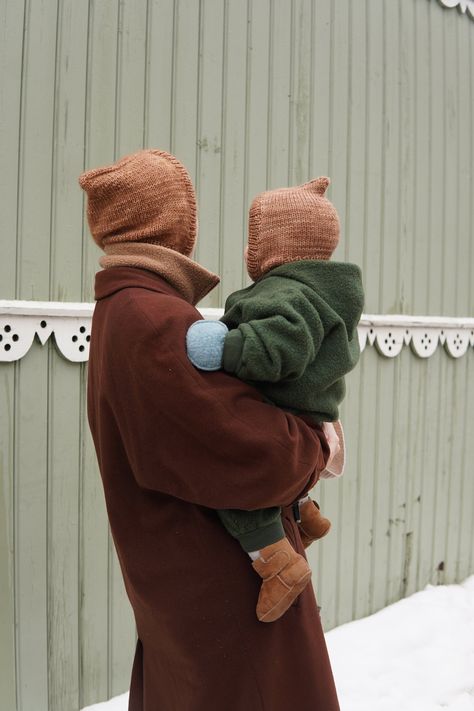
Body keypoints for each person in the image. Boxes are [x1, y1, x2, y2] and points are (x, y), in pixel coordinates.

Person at [79, 149, 341, 711]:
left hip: (189, 592)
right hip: (224, 598)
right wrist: (318, 443)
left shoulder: (125, 310)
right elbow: (255, 456)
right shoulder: (153, 319)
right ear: (171, 225)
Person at [186, 177, 364, 622]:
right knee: (281, 471)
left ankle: (276, 564)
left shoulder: (285, 292)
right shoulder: (325, 290)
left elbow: (278, 349)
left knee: (234, 479)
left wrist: (227, 347)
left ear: (270, 247)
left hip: (283, 410)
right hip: (313, 412)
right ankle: (307, 514)